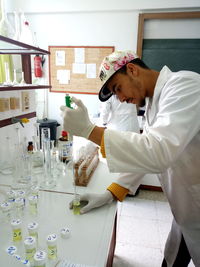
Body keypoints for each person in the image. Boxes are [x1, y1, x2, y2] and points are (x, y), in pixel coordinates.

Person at [60, 50, 200, 267]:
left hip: (195, 205)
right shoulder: (154, 102)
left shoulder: (185, 86)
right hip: (186, 207)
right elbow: (146, 155)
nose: (122, 99)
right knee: (172, 259)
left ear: (132, 69)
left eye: (117, 88)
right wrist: (110, 193)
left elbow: (157, 153)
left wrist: (90, 131)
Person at [99, 94, 141, 196]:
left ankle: (118, 189)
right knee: (132, 159)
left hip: (118, 128)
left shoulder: (109, 92)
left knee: (119, 161)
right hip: (133, 127)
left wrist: (103, 123)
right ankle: (131, 190)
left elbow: (105, 111)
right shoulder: (130, 86)